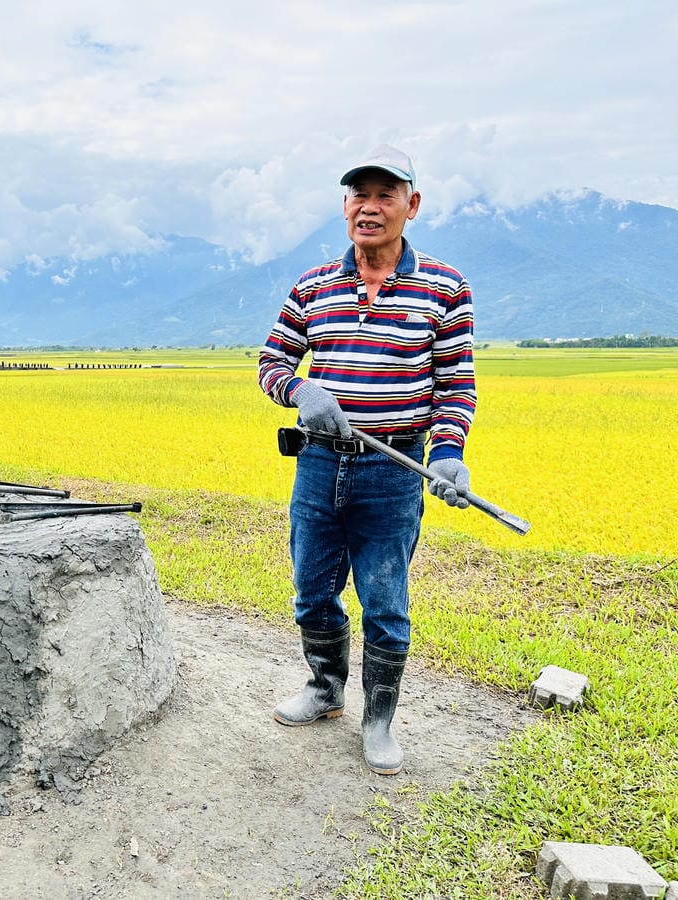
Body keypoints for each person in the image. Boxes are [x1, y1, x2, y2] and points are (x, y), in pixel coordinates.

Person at [258, 144, 475, 775]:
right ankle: (326, 689)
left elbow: (455, 386)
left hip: (393, 470)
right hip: (320, 465)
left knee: (385, 598)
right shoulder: (313, 286)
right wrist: (302, 390)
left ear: (412, 205)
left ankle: (379, 718)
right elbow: (272, 363)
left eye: (386, 195)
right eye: (359, 195)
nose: (370, 208)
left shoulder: (445, 288)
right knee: (311, 588)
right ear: (344, 205)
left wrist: (449, 456)